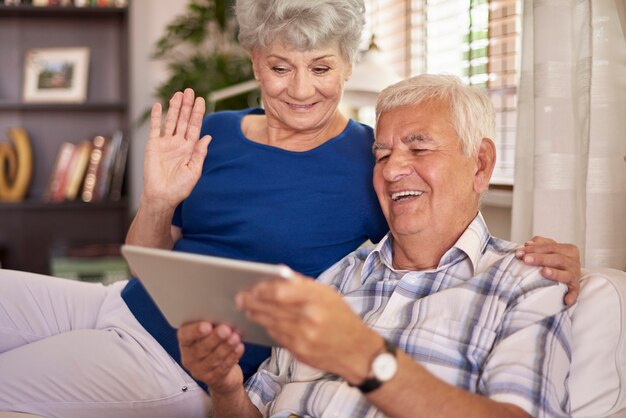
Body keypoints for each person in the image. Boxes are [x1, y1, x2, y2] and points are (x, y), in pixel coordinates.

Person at [0, 1, 578, 417]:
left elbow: (446, 225)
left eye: (321, 68)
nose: (301, 90)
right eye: (281, 67)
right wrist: (157, 198)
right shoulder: (211, 135)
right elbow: (144, 267)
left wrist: (554, 258)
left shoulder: (376, 162)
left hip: (179, 363)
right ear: (254, 62)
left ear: (348, 66)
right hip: (123, 306)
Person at [179, 74, 572, 418]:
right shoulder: (336, 278)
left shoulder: (524, 283)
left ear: (481, 164)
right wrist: (227, 387)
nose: (392, 170)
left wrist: (366, 357)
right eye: (381, 155)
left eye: (418, 149)